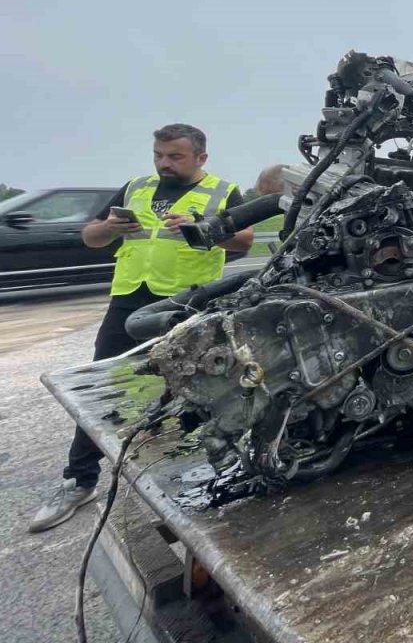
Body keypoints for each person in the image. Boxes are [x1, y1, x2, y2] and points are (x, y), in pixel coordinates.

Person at [29, 123, 253, 532]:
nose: (165, 163)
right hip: (129, 299)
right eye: (159, 155)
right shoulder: (135, 187)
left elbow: (245, 242)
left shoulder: (222, 192)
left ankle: (197, 481)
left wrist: (202, 228)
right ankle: (79, 481)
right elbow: (91, 237)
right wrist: (109, 229)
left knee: (195, 388)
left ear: (201, 158)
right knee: (101, 387)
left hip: (187, 304)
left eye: (175, 157)